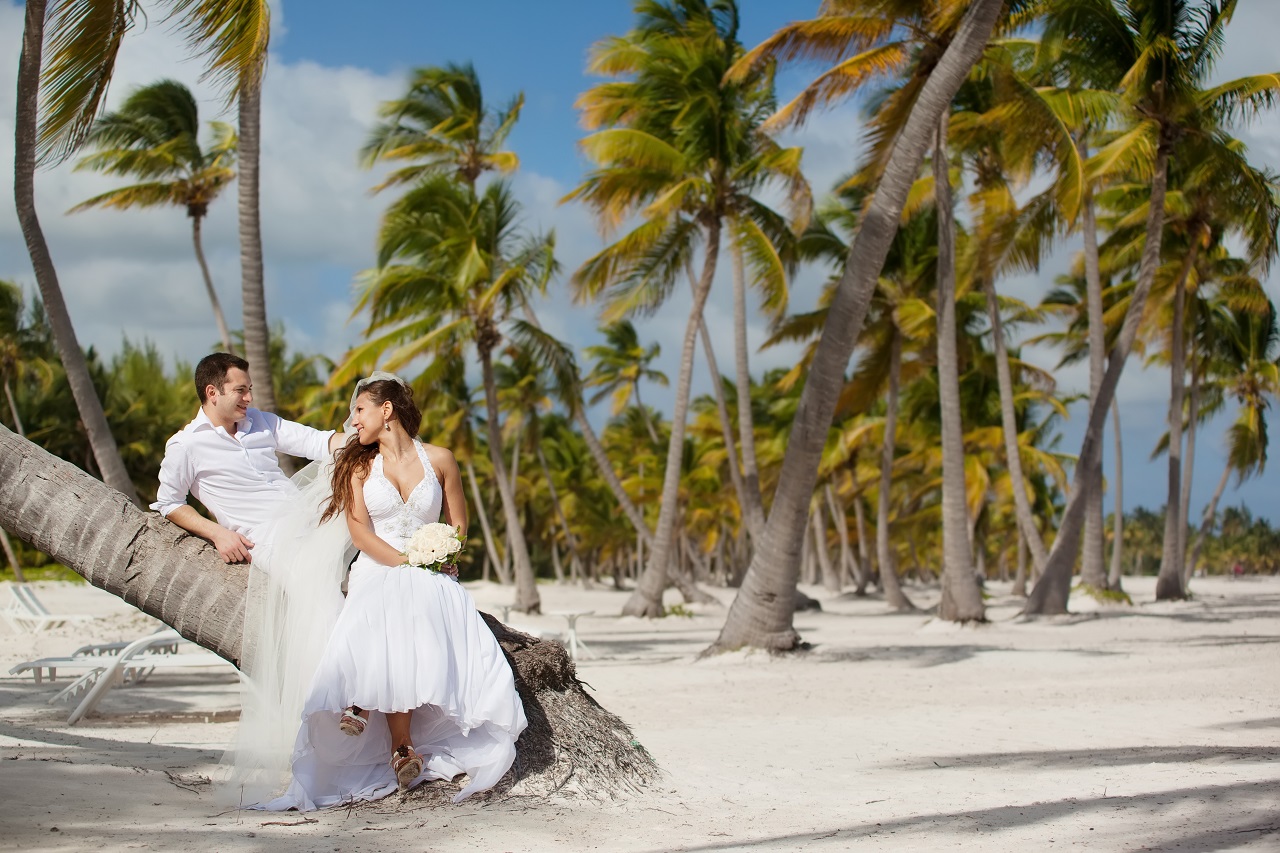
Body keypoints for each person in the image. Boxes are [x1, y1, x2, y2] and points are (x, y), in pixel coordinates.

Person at [255, 375, 528, 810]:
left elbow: (458, 521)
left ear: (386, 411)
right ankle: (396, 741)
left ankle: (365, 705)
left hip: (429, 567)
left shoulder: (441, 458)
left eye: (359, 410)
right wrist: (405, 562)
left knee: (415, 597)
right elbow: (360, 532)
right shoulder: (359, 466)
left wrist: (439, 551)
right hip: (380, 563)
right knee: (392, 594)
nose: (352, 420)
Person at [151, 352, 345, 560]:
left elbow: (317, 442)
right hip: (272, 545)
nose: (249, 398)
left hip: (313, 521)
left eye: (249, 389)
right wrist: (218, 533)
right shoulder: (186, 444)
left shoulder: (261, 420)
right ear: (212, 393)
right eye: (240, 390)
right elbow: (169, 503)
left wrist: (373, 437)